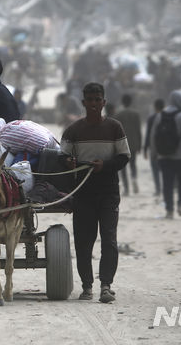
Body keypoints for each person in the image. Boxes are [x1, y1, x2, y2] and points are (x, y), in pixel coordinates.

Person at [61, 82, 130, 303]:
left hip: (109, 191)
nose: (93, 104)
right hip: (83, 193)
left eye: (97, 100)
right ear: (83, 102)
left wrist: (105, 166)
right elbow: (62, 158)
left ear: (103, 102)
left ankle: (106, 286)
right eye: (89, 100)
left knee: (109, 239)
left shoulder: (115, 127)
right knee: (84, 241)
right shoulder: (73, 130)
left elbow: (123, 157)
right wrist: (69, 163)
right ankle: (87, 286)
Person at [152, 90, 181, 219]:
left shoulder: (160, 115)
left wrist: (154, 153)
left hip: (164, 156)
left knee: (167, 183)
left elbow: (154, 136)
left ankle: (169, 211)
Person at [114, 94, 141, 196]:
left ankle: (127, 188)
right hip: (134, 143)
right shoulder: (136, 114)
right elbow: (138, 130)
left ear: (123, 102)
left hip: (123, 144)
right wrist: (140, 144)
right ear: (131, 102)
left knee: (123, 167)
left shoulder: (118, 115)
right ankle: (134, 178)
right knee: (133, 164)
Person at [143, 98, 165, 196]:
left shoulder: (151, 118)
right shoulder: (167, 117)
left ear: (155, 106)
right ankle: (165, 188)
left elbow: (148, 134)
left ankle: (158, 189)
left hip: (154, 148)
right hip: (166, 148)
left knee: (155, 170)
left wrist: (145, 149)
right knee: (165, 170)